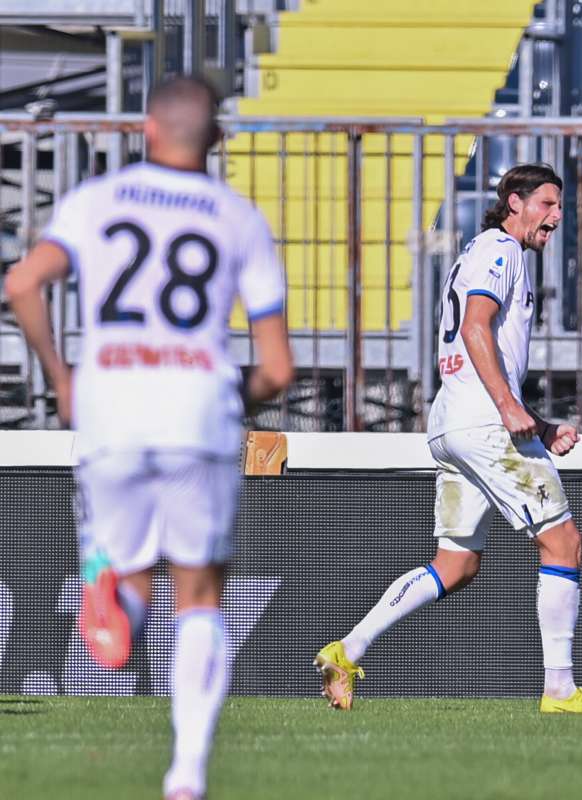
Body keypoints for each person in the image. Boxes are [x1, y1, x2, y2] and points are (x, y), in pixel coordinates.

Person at [5, 75, 294, 799]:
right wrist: (231, 396)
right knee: (198, 591)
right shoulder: (238, 216)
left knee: (131, 572)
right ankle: (187, 775)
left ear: (147, 128)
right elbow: (278, 369)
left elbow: (22, 283)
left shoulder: (94, 200)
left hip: (111, 409)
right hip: (195, 410)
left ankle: (115, 603)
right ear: (216, 139)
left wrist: (62, 378)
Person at [314, 164, 582, 715]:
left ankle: (348, 649)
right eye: (547, 204)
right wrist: (508, 408)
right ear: (514, 202)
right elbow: (476, 326)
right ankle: (560, 689)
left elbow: (480, 346)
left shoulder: (480, 252)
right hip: (484, 423)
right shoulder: (502, 252)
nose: (557, 216)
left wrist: (539, 425)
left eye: (560, 206)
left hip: (453, 421)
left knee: (456, 564)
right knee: (563, 543)